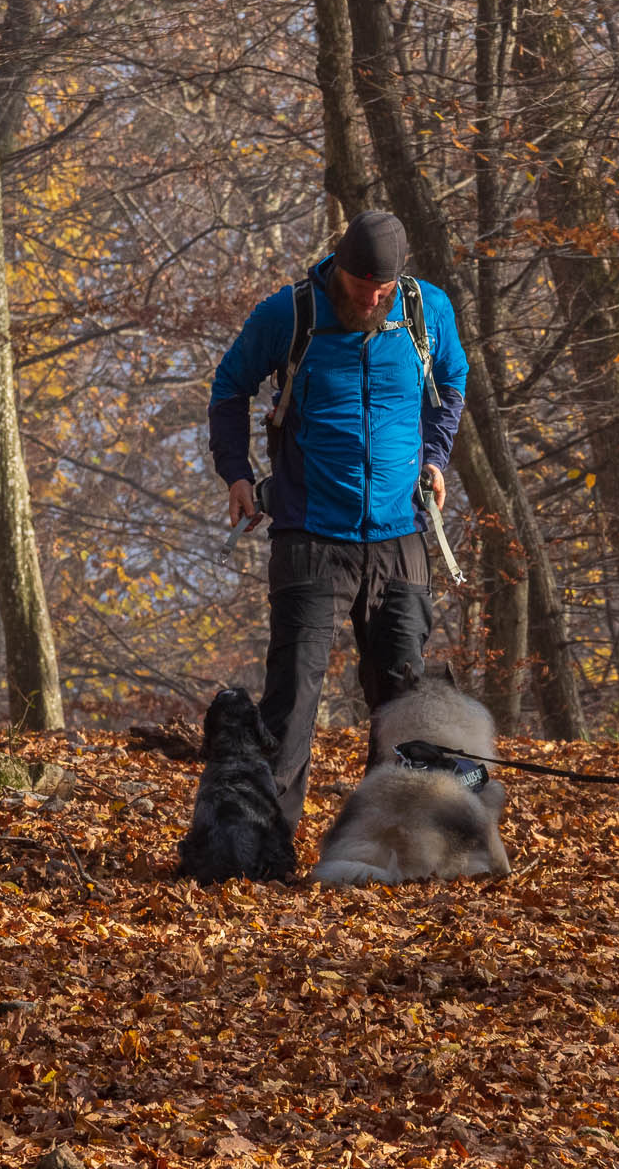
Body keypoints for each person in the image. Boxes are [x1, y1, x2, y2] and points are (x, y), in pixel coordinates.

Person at [208, 210, 468, 826]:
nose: (370, 300)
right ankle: (264, 848)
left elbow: (452, 382)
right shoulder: (289, 314)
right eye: (359, 287)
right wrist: (236, 473)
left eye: (381, 290)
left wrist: (434, 458)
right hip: (310, 534)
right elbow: (229, 385)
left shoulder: (426, 311)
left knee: (404, 698)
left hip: (401, 534)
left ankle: (392, 839)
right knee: (293, 698)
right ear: (339, 268)